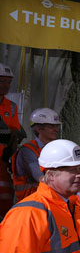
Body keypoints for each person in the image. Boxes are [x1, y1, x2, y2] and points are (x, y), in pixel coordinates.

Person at [0, 139, 80, 253]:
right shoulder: (29, 214)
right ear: (50, 175)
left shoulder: (73, 208)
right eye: (71, 170)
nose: (79, 175)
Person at [12, 108, 62, 203]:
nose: (56, 129)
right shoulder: (28, 151)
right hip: (29, 203)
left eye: (57, 126)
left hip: (48, 200)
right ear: (38, 129)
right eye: (51, 126)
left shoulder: (56, 149)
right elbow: (40, 178)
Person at [0, 63, 24, 218]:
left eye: (9, 82)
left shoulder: (12, 107)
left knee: (5, 198)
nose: (6, 85)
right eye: (2, 81)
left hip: (3, 161)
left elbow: (15, 133)